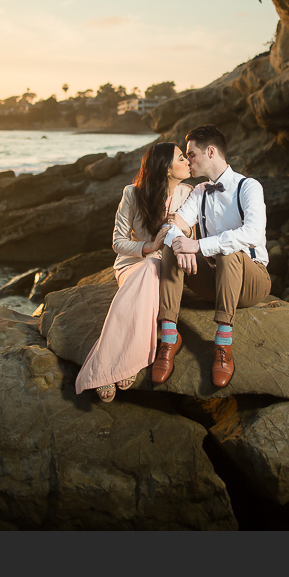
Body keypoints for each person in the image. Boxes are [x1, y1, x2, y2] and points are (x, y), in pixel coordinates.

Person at [153, 124, 272, 389]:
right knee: (173, 244)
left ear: (210, 152)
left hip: (250, 280)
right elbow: (171, 225)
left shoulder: (248, 187)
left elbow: (252, 233)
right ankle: (169, 338)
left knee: (228, 251)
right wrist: (180, 243)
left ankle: (223, 343)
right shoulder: (199, 191)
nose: (188, 161)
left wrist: (198, 246)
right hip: (213, 282)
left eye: (191, 154)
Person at [74, 142, 193, 402]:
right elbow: (118, 242)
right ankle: (128, 360)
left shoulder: (190, 193)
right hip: (133, 263)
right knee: (150, 266)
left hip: (170, 266)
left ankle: (112, 365)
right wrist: (150, 246)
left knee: (154, 267)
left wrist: (182, 230)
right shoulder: (133, 193)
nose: (188, 161)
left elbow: (198, 234)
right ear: (166, 168)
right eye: (181, 158)